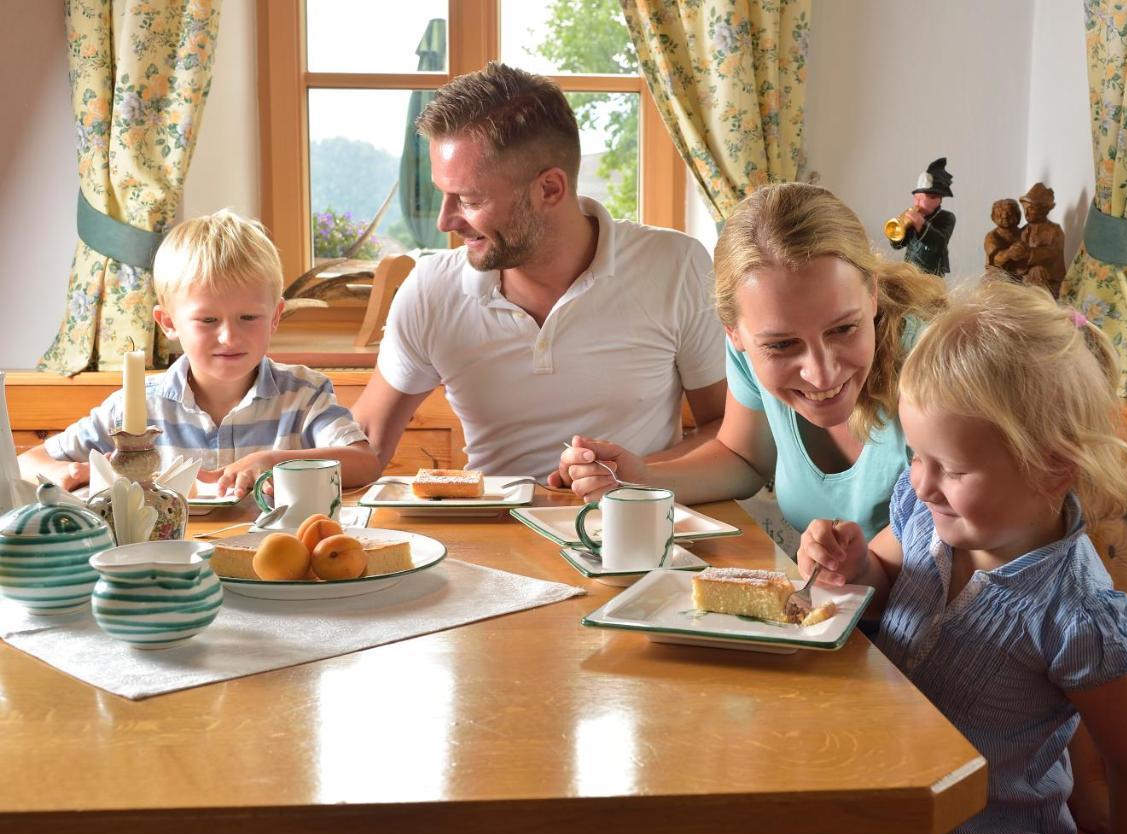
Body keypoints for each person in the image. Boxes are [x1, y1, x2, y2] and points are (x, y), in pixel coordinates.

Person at [798, 281, 1127, 834]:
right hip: (884, 797)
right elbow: (883, 573)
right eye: (917, 455)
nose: (921, 484)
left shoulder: (1078, 616)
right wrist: (854, 564)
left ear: (1050, 469)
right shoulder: (926, 517)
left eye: (949, 468)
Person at [351, 62, 726, 479]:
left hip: (630, 528)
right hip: (490, 536)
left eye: (469, 200)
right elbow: (365, 438)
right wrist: (277, 461)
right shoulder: (430, 289)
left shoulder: (676, 265)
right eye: (444, 195)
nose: (445, 221)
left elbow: (726, 430)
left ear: (550, 189)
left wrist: (630, 474)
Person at [558, 182, 947, 550]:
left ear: (873, 295)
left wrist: (858, 569)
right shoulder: (748, 350)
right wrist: (640, 478)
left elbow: (946, 534)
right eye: (781, 345)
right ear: (734, 334)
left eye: (844, 328)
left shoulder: (936, 365)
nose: (821, 373)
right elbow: (744, 458)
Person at [20, 210, 381, 498]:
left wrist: (274, 461)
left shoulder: (304, 394)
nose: (229, 335)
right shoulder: (133, 408)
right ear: (168, 322)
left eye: (249, 317)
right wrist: (63, 472)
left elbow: (364, 462)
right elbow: (28, 461)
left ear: (275, 318)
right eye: (208, 319)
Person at [888, 157, 956, 276]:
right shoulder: (913, 218)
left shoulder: (947, 217)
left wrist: (921, 224)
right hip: (910, 271)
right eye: (916, 198)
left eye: (921, 199)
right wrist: (896, 233)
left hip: (932, 274)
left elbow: (940, 243)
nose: (917, 203)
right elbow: (898, 246)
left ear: (936, 199)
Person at [1020, 182, 1067, 297]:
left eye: (1031, 209)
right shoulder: (1023, 231)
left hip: (1048, 280)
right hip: (1026, 280)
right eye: (1024, 209)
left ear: (1043, 210)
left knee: (1038, 271)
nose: (1026, 213)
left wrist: (1029, 254)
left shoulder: (1054, 230)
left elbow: (1052, 252)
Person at [984, 197, 1028, 276]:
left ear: (1017, 215)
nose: (1004, 216)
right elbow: (996, 259)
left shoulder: (1024, 233)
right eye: (999, 214)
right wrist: (1009, 253)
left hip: (1020, 274)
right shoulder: (992, 236)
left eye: (1009, 213)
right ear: (993, 217)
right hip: (999, 275)